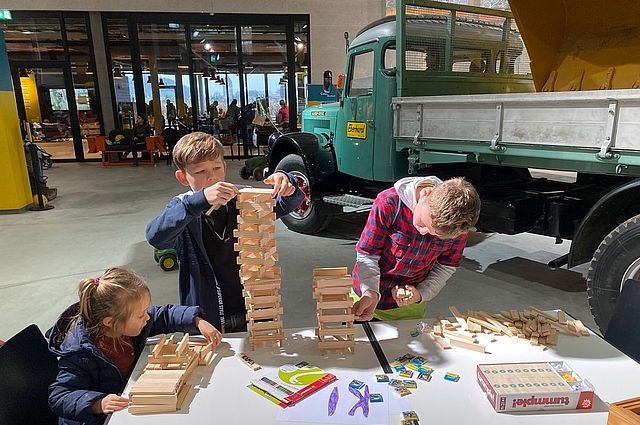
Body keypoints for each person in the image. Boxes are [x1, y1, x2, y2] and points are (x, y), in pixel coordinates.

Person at [146, 132, 304, 333]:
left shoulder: (242, 199)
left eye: (217, 168)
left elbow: (285, 204)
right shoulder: (183, 207)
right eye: (200, 172)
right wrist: (199, 201)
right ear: (183, 177)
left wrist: (288, 185)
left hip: (251, 307)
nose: (211, 177)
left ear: (225, 167)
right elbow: (156, 237)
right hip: (207, 316)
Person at [48, 267, 220, 425]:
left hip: (128, 400)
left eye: (146, 310)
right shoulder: (79, 353)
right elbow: (59, 396)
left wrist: (196, 321)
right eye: (140, 315)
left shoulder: (124, 324)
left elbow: (163, 315)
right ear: (110, 322)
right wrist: (97, 403)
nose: (147, 317)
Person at [352, 176, 481, 321]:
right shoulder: (389, 203)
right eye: (424, 223)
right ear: (426, 193)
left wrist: (420, 294)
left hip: (407, 309)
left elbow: (445, 267)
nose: (424, 231)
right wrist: (370, 292)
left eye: (435, 234)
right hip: (364, 298)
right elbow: (368, 254)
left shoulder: (457, 228)